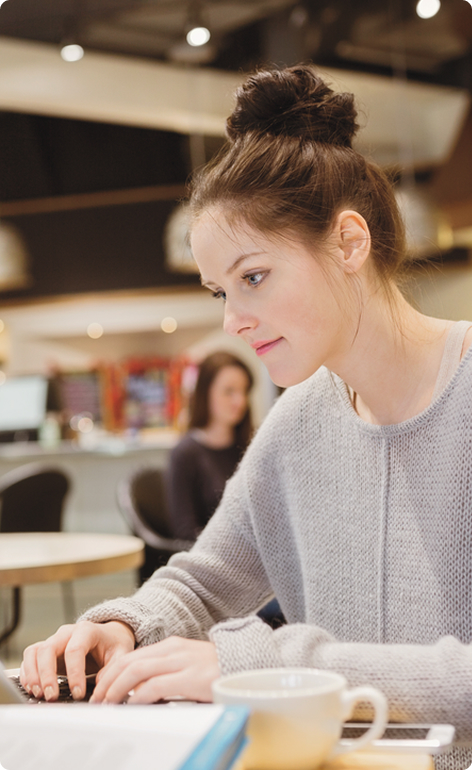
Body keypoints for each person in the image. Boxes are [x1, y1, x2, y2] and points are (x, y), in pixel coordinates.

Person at [20, 64, 472, 769]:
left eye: (253, 277)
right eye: (217, 292)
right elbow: (204, 580)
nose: (234, 320)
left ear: (350, 243)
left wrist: (265, 665)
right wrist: (123, 628)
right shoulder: (299, 424)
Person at [166, 350, 253, 541]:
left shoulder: (251, 447)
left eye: (244, 391)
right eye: (229, 391)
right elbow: (185, 531)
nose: (240, 401)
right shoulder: (185, 454)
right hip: (213, 561)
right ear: (205, 392)